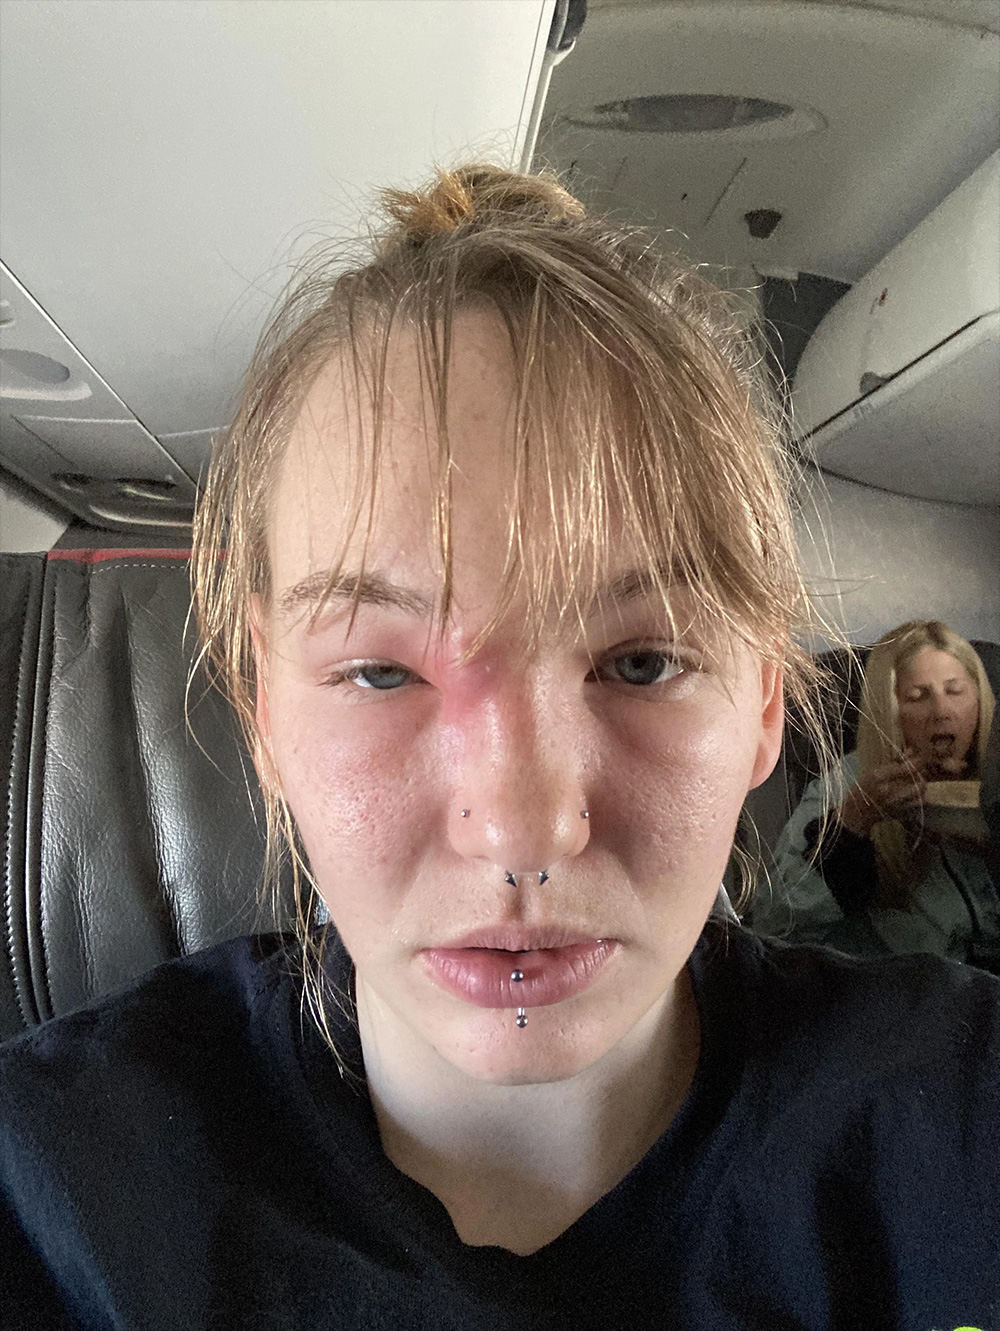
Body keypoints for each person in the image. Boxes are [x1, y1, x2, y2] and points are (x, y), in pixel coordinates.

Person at [1, 166, 998, 1331]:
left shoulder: (962, 1107)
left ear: (766, 701)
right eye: (381, 671)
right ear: (265, 711)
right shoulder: (53, 1195)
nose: (522, 831)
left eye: (642, 662)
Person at [755, 620, 1000, 969]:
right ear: (890, 710)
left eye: (955, 691)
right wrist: (850, 828)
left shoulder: (993, 776)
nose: (942, 711)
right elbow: (773, 926)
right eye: (918, 696)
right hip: (908, 986)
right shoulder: (845, 786)